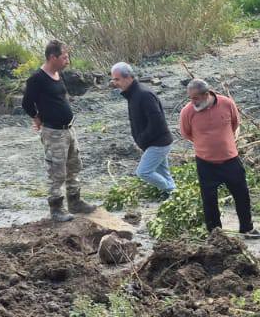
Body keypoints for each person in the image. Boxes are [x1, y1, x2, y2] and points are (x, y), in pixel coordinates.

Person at [21, 40, 94, 223]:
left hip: (68, 129)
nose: (67, 60)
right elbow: (26, 103)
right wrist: (36, 117)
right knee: (57, 171)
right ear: (52, 57)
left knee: (74, 165)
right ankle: (56, 208)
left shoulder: (56, 74)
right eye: (64, 57)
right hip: (53, 132)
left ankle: (75, 201)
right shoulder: (37, 78)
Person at [178, 78, 258, 237]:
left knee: (242, 195)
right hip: (205, 163)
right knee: (209, 201)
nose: (192, 101)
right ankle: (216, 234)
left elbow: (234, 124)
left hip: (230, 160)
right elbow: (186, 133)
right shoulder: (187, 112)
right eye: (190, 98)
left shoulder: (227, 104)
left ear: (206, 94)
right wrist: (205, 145)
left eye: (195, 98)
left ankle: (247, 228)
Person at [109, 63, 176, 194]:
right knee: (163, 172)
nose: (114, 83)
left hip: (158, 143)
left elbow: (158, 122)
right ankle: (173, 194)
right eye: (113, 79)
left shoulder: (143, 94)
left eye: (117, 79)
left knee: (143, 172)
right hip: (154, 142)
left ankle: (170, 190)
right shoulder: (133, 94)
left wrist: (142, 139)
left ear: (128, 77)